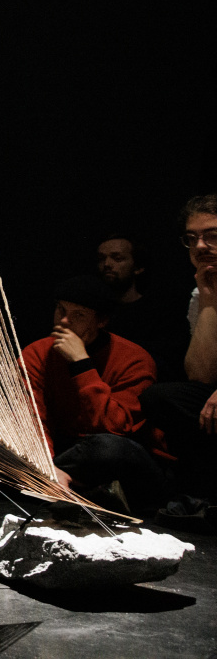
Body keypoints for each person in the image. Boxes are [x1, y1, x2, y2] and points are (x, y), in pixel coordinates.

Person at [21, 275, 169, 516]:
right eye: (61, 310)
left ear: (101, 321)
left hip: (115, 455)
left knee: (108, 449)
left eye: (79, 315)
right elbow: (32, 417)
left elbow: (112, 427)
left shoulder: (134, 359)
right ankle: (78, 490)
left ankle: (49, 486)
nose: (64, 321)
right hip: (65, 453)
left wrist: (82, 364)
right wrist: (46, 465)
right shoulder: (37, 353)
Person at [143, 194, 217, 525]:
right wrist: (208, 298)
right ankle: (202, 498)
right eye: (192, 238)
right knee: (163, 398)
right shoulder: (199, 295)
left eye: (212, 235)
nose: (200, 246)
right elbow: (200, 374)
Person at [96, 233, 187, 382]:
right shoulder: (96, 313)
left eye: (117, 258)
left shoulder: (160, 312)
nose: (107, 264)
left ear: (138, 267)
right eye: (101, 259)